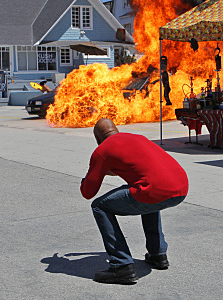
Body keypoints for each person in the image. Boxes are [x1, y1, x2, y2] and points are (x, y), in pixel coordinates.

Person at [80, 118, 188, 285]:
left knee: (99, 206)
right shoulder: (137, 137)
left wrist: (89, 177)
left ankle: (121, 266)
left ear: (97, 139)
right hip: (181, 187)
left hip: (154, 190)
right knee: (146, 191)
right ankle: (157, 254)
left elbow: (88, 192)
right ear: (117, 130)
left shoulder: (102, 151)